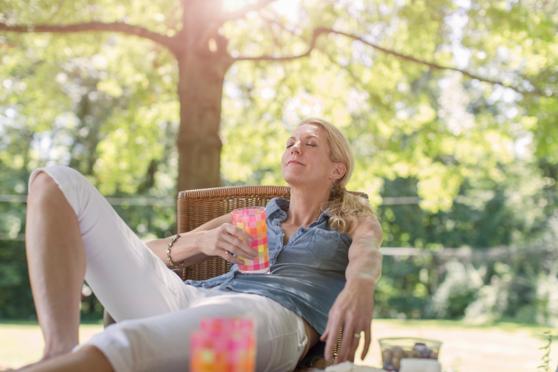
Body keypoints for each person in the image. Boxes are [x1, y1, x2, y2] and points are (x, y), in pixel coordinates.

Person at [18, 118, 383, 372]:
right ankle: (58, 350)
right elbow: (143, 254)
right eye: (290, 142)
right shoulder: (254, 217)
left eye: (310, 143)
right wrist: (201, 241)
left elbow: (367, 251)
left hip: (271, 319)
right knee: (55, 180)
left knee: (132, 344)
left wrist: (360, 286)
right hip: (187, 299)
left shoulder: (350, 217)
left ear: (337, 169)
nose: (295, 147)